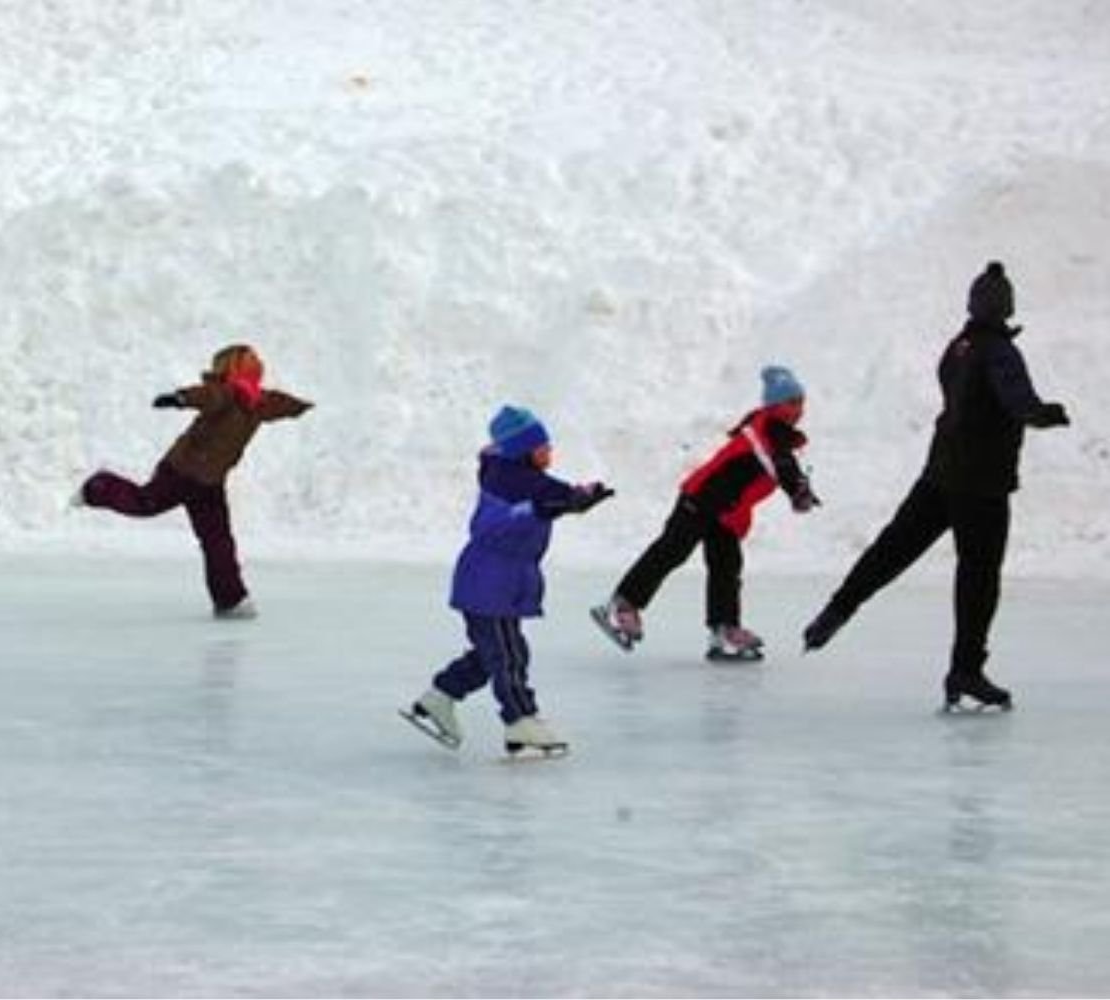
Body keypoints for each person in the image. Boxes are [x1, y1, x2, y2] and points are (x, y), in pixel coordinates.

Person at [802, 261, 1070, 710]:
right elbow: (1016, 399)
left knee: (893, 547)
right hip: (981, 484)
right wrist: (1046, 414)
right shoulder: (1000, 350)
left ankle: (838, 608)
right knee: (978, 577)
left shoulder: (958, 347)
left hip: (941, 470)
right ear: (1006, 307)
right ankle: (966, 669)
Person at [400, 406, 611, 757]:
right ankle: (521, 719)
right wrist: (578, 497)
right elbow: (548, 497)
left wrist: (578, 496)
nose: (549, 452)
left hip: (492, 580)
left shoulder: (508, 473)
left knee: (493, 654)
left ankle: (439, 698)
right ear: (523, 451)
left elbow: (550, 496)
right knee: (509, 655)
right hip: (490, 583)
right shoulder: (516, 482)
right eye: (542, 447)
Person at [590, 366, 819, 662]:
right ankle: (621, 606)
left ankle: (723, 631)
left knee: (726, 566)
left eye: (801, 402)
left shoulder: (778, 434)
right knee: (672, 550)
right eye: (792, 402)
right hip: (701, 499)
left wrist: (800, 489)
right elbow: (777, 461)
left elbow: (782, 461)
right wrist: (796, 488)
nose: (798, 409)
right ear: (774, 406)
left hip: (726, 514)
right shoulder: (764, 429)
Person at [75, 343, 312, 619]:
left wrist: (307, 406)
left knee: (218, 541)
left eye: (258, 358)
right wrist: (180, 398)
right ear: (234, 367)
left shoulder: (259, 401)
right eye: (251, 359)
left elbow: (281, 405)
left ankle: (230, 600)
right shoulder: (228, 392)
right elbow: (207, 396)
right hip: (182, 471)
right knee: (145, 503)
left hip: (210, 481)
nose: (258, 362)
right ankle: (98, 487)